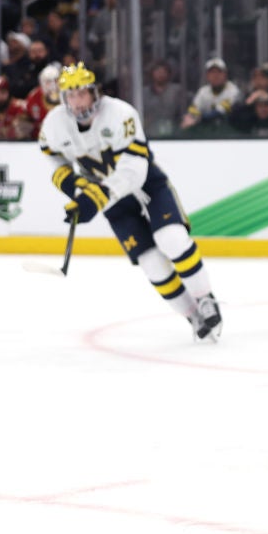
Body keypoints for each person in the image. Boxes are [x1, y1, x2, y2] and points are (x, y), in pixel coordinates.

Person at [38, 63, 222, 341]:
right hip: (110, 200)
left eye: (81, 93)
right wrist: (77, 190)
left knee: (171, 238)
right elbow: (53, 159)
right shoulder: (54, 124)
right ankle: (192, 315)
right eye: (70, 95)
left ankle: (205, 297)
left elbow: (134, 170)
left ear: (93, 92)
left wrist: (95, 197)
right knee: (151, 263)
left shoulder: (120, 113)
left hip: (148, 185)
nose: (76, 101)